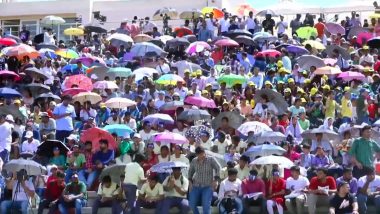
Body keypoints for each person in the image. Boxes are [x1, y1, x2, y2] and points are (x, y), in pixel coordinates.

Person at [188, 146, 220, 214]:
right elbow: (190, 172)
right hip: (195, 186)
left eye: (203, 153)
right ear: (197, 154)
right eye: (200, 154)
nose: (202, 155)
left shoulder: (211, 159)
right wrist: (190, 182)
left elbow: (218, 168)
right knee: (191, 204)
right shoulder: (194, 160)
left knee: (206, 206)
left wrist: (216, 180)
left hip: (208, 186)